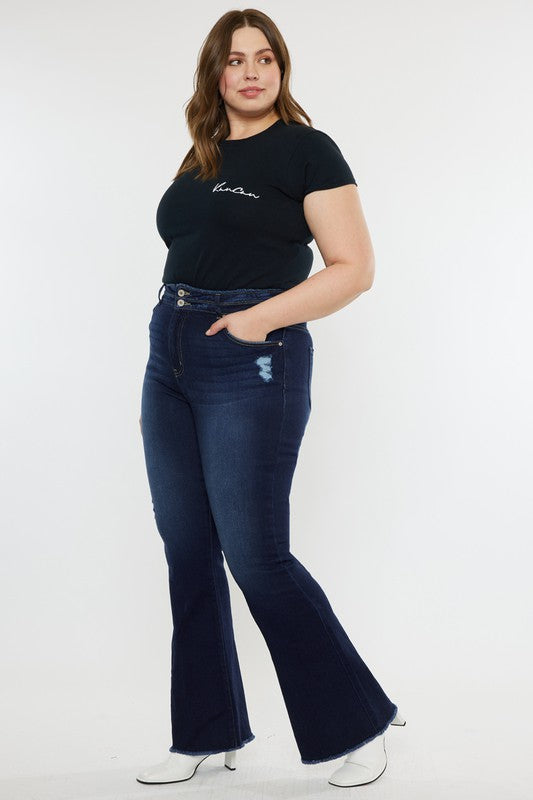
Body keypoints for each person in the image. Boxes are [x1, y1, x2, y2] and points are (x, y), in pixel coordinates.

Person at [137, 8, 405, 789]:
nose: (251, 72)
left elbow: (352, 266)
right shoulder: (201, 155)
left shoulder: (306, 149)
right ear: (213, 73)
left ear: (281, 69)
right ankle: (206, 734)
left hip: (251, 355)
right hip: (170, 350)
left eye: (265, 58)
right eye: (234, 60)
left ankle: (358, 721)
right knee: (187, 549)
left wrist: (255, 320)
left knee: (256, 555)